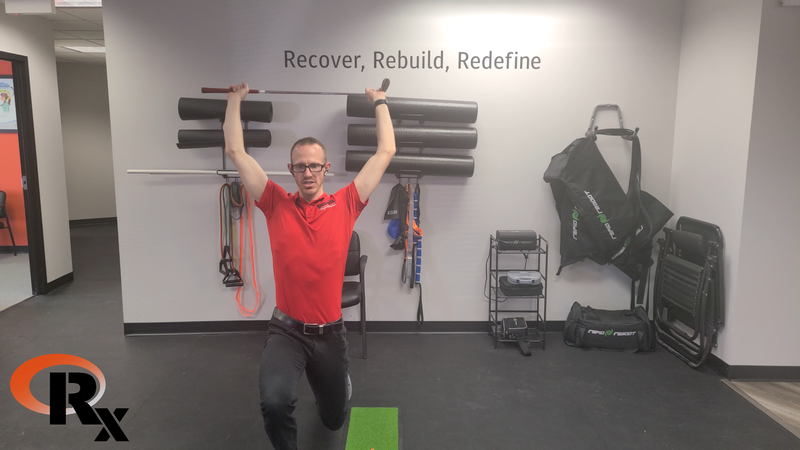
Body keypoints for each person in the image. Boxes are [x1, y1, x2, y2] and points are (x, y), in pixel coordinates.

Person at [223, 81, 395, 450]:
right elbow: (235, 150)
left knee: (334, 420)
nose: (308, 172)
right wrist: (234, 101)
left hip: (331, 336)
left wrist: (379, 102)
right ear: (291, 169)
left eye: (314, 166)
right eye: (300, 166)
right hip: (286, 331)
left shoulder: (348, 202)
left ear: (325, 168)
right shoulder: (274, 203)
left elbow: (386, 150)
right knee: (274, 401)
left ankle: (339, 386)